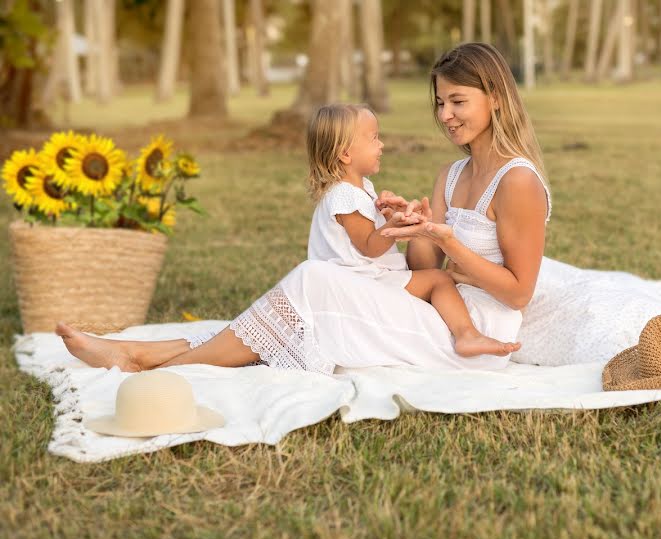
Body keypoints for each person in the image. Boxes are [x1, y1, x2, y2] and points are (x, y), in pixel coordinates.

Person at [56, 42, 551, 374]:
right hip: (432, 306)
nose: (445, 116)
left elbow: (519, 294)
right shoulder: (452, 174)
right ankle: (146, 356)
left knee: (311, 287)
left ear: (496, 99)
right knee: (297, 307)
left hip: (476, 329)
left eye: (458, 102)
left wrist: (446, 238)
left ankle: (154, 363)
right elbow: (426, 269)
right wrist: (416, 227)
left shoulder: (518, 181)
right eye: (440, 103)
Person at [302, 102, 519, 358]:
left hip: (367, 278)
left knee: (434, 280)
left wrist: (392, 216)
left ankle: (463, 333)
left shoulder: (358, 190)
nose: (381, 145)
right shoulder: (345, 196)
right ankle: (466, 335)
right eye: (374, 139)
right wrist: (393, 227)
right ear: (345, 154)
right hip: (364, 283)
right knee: (439, 279)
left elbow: (367, 236)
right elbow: (369, 247)